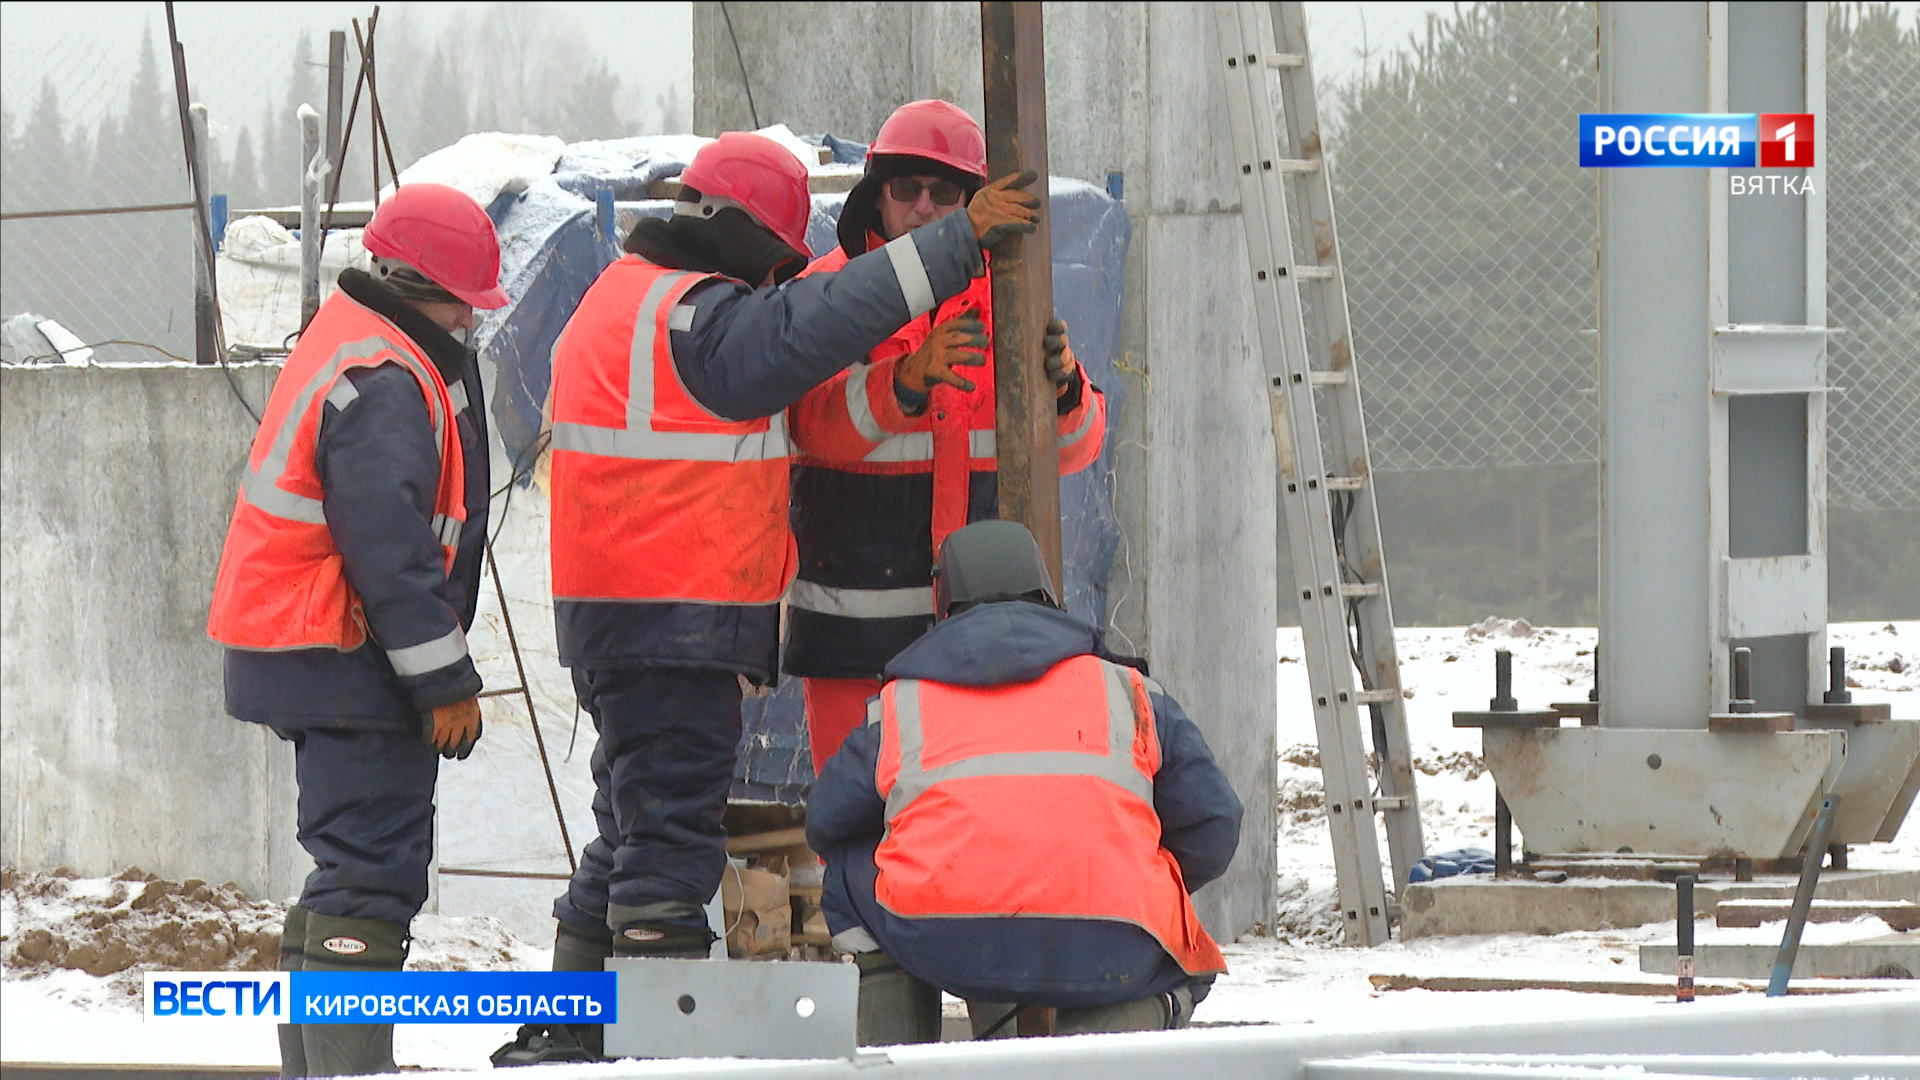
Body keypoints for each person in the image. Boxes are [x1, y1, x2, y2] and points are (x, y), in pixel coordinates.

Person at [492, 132, 1042, 1065]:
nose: (780, 279)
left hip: (626, 614)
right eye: (778, 261)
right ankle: (654, 1051)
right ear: (743, 234)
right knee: (668, 853)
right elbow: (806, 327)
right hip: (672, 617)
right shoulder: (693, 316)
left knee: (629, 829)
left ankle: (567, 1033)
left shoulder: (623, 298)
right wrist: (955, 247)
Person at [206, 182, 507, 1077]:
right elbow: (392, 550)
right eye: (467, 302)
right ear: (428, 289)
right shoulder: (385, 376)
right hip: (341, 655)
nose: (472, 322)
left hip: (308, 649)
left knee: (346, 874)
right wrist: (445, 682)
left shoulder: (354, 342)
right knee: (369, 879)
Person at [806, 520, 1243, 1045]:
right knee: (1180, 954)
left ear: (944, 605)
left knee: (850, 874)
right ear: (1047, 595)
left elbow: (826, 820)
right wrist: (1126, 874)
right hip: (1112, 939)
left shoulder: (903, 705)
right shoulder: (1129, 692)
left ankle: (898, 1056)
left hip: (943, 936)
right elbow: (1215, 823)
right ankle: (1103, 1044)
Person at [785, 99, 1107, 775]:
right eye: (906, 188)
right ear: (878, 196)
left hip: (978, 632)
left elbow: (1076, 450)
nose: (923, 207)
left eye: (945, 191)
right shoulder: (826, 292)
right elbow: (809, 426)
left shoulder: (1013, 300)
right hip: (855, 635)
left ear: (972, 200)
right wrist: (901, 383)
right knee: (858, 836)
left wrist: (1069, 392)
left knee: (967, 834)